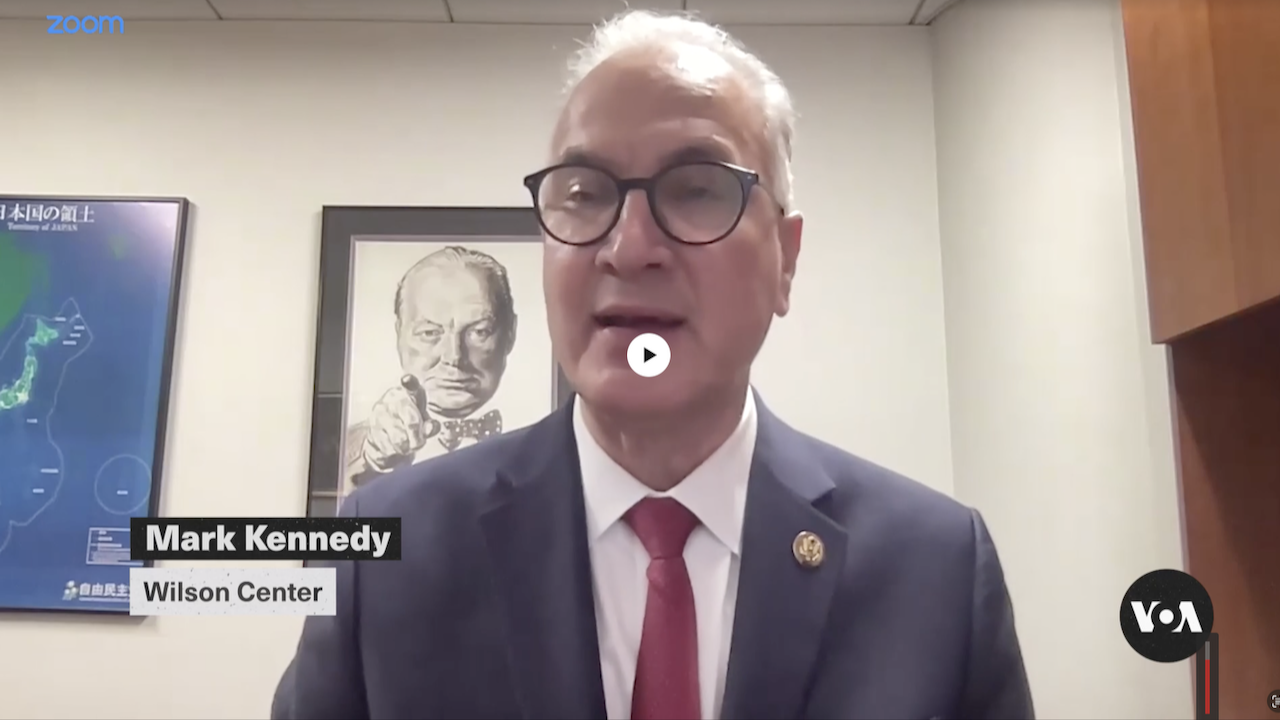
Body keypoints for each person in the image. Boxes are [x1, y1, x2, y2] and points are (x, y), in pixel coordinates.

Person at [273, 9, 1034, 720]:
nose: (629, 247)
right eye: (584, 193)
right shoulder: (386, 546)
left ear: (786, 262)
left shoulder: (934, 567)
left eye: (697, 190)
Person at [343, 246, 516, 491]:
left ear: (510, 334)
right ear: (399, 335)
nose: (453, 356)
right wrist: (375, 459)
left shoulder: (554, 446)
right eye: (429, 333)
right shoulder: (350, 448)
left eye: (479, 332)